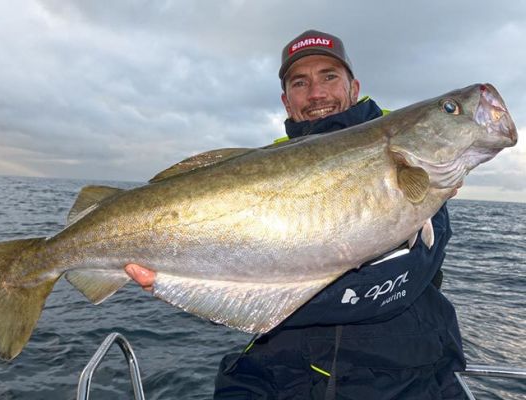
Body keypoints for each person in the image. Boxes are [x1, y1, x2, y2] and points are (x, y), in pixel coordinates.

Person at [126, 30, 467, 399]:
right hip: (279, 373)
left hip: (404, 374)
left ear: (354, 87)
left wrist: (237, 292)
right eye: (300, 82)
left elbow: (400, 281)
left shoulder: (406, 152)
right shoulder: (256, 169)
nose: (316, 93)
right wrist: (187, 279)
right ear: (287, 101)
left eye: (329, 76)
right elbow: (237, 282)